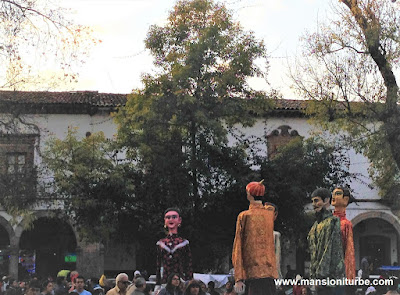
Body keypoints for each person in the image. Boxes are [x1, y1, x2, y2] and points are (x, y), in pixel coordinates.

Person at [232, 180, 278, 295]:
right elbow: (270, 207)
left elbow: (238, 246)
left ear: (249, 194)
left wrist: (238, 277)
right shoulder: (270, 213)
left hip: (252, 273)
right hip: (269, 272)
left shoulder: (244, 216)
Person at [307, 188, 344, 295]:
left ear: (326, 200)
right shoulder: (315, 225)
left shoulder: (333, 221)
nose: (314, 204)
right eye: (313, 201)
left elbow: (328, 250)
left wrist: (320, 275)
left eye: (316, 200)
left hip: (329, 278)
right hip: (318, 278)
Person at [156, 208, 193, 285]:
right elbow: (158, 265)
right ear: (165, 221)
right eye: (168, 217)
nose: (171, 219)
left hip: (181, 281)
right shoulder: (160, 243)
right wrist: (158, 284)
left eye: (174, 217)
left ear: (179, 220)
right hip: (165, 281)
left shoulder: (184, 243)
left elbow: (188, 264)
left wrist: (189, 281)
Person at [331, 186, 356, 280]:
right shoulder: (328, 221)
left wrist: (349, 278)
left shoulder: (346, 224)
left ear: (345, 199)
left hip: (338, 270)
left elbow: (349, 252)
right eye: (333, 194)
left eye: (337, 194)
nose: (333, 196)